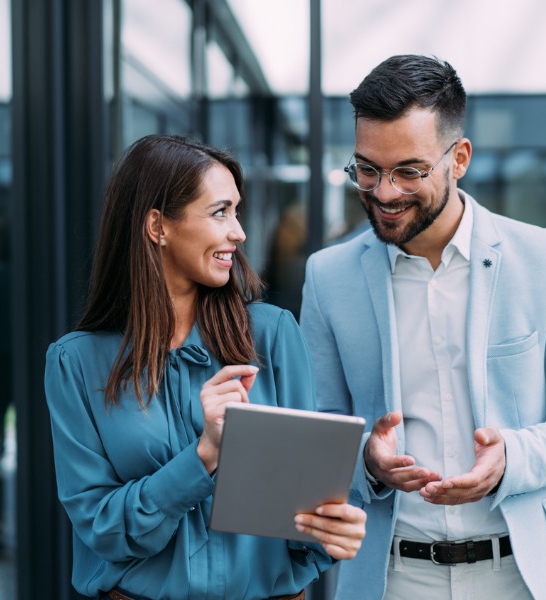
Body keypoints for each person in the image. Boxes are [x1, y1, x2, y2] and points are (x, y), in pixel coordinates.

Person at [299, 55, 546, 600]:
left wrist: (511, 459)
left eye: (409, 171)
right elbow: (316, 425)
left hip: (525, 575)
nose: (383, 193)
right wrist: (366, 461)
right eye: (367, 169)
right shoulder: (327, 277)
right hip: (389, 577)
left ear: (460, 158)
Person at [44, 134, 366, 600]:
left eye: (237, 211)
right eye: (220, 212)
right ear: (158, 225)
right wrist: (205, 454)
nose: (239, 231)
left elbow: (302, 522)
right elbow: (103, 530)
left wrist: (332, 529)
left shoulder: (272, 335)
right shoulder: (76, 363)